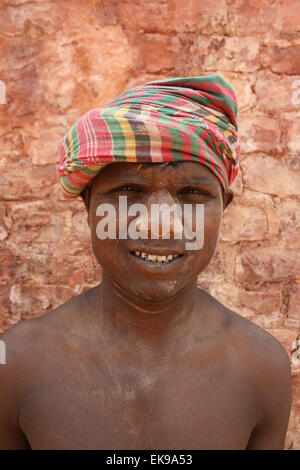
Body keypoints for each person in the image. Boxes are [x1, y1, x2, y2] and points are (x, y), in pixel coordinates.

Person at [0, 76, 292, 450]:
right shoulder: (19, 364)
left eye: (191, 192)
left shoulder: (262, 368)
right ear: (89, 206)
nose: (159, 222)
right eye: (128, 190)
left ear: (224, 209)